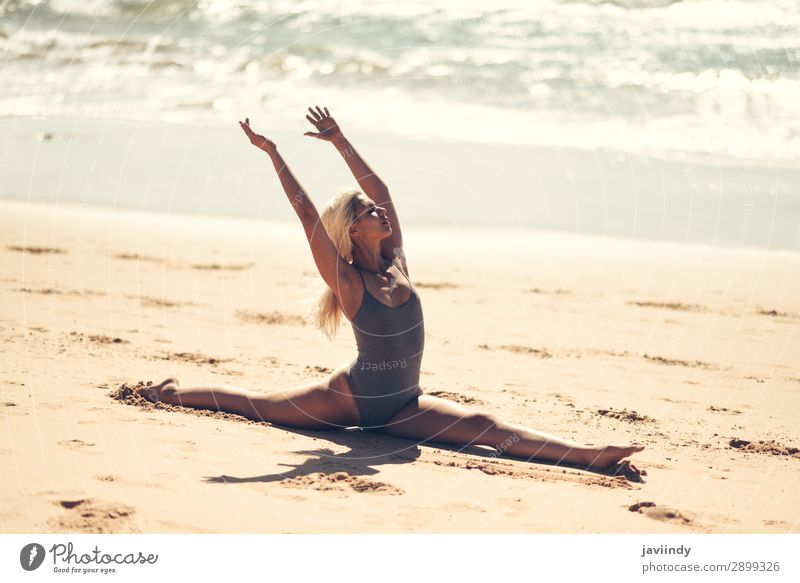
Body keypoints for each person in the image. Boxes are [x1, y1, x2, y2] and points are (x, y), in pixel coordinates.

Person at [136, 105, 644, 472]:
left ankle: (589, 456)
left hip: (405, 407)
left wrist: (339, 142)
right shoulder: (349, 282)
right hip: (351, 402)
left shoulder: (396, 262)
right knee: (259, 406)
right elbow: (307, 215)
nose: (379, 211)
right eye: (366, 212)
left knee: (487, 427)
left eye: (375, 210)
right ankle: (172, 394)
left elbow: (384, 190)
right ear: (355, 231)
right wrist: (273, 154)